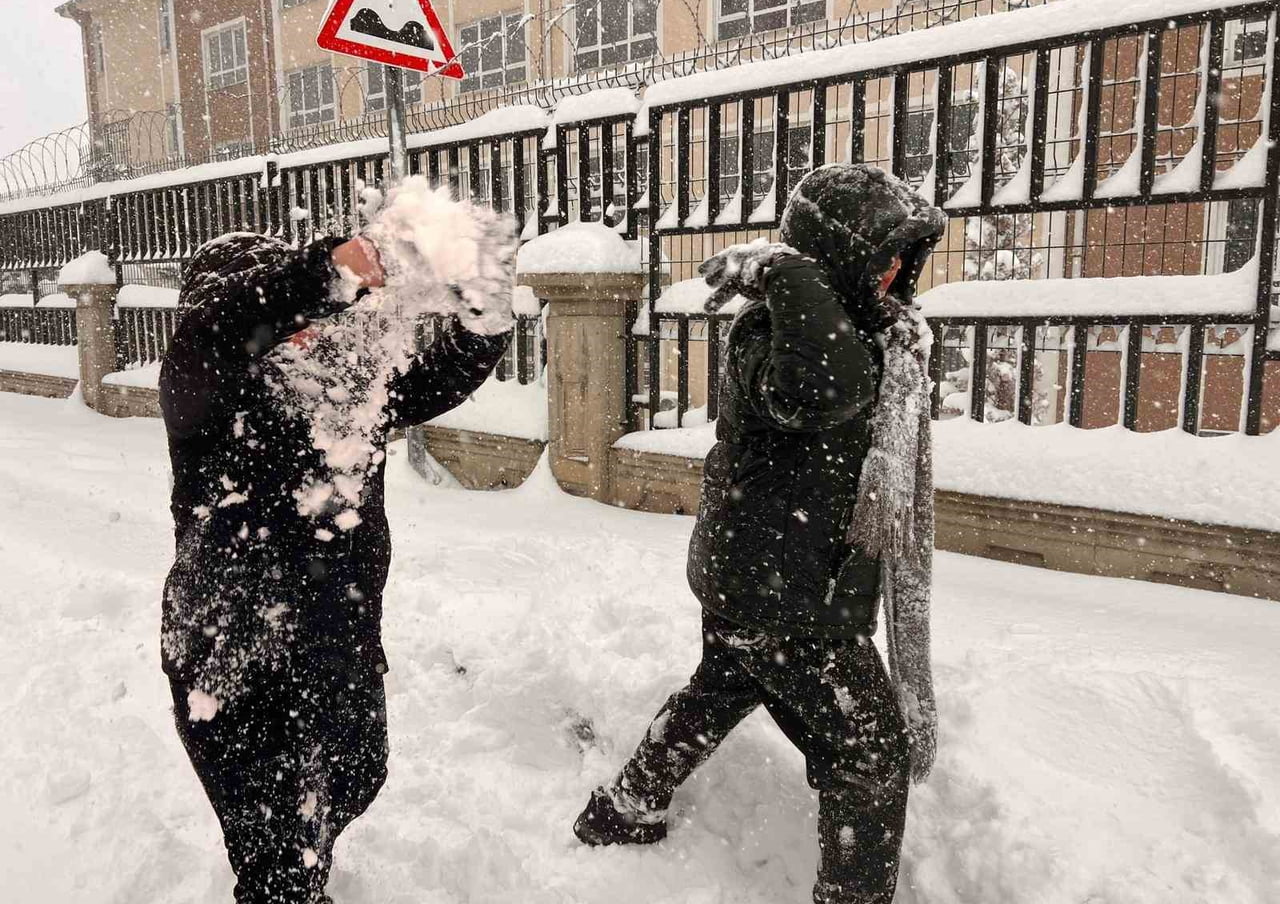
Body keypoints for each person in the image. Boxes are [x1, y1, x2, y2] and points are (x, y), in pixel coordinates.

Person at [573, 163, 946, 904]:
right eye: (881, 254)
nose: (895, 271)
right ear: (834, 256)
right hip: (785, 595)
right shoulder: (770, 330)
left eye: (904, 256)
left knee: (722, 688)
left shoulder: (866, 335)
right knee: (871, 755)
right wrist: (792, 274)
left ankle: (624, 809)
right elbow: (822, 391)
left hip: (765, 578)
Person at [159, 219, 514, 904]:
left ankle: (305, 861)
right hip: (234, 649)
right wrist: (329, 271)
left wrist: (483, 324)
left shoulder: (330, 390)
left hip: (335, 629)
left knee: (358, 772)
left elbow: (426, 384)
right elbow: (231, 324)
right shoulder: (199, 380)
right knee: (278, 853)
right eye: (279, 314)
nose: (301, 330)